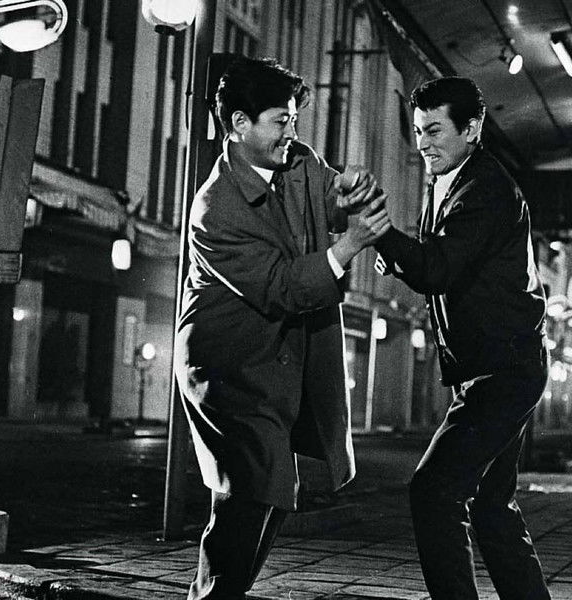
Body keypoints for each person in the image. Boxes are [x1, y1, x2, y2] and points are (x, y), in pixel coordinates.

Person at [173, 56, 388, 600]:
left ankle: (220, 593)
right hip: (227, 368)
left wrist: (349, 192)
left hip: (276, 359)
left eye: (293, 119)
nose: (291, 132)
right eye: (279, 121)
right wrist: (350, 245)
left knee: (271, 489)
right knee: (250, 487)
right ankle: (213, 595)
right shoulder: (216, 207)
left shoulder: (297, 161)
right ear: (239, 124)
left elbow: (330, 196)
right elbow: (280, 287)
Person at [362, 77, 551, 599]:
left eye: (435, 130)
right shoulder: (453, 179)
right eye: (418, 130)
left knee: (435, 489)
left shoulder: (484, 187)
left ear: (472, 129)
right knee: (492, 504)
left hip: (502, 370)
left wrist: (382, 234)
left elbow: (439, 268)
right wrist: (403, 258)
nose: (422, 143)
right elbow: (442, 263)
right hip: (499, 366)